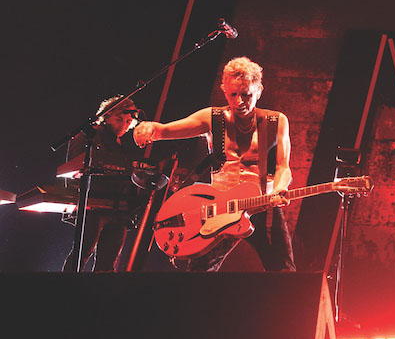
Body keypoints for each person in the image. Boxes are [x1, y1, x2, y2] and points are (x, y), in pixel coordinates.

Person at [134, 56, 295, 271]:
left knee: (283, 271)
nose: (239, 101)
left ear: (259, 91)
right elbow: (165, 130)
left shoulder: (275, 121)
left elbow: (284, 165)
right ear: (224, 89)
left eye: (246, 95)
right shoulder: (213, 118)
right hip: (220, 206)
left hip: (262, 203)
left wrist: (280, 189)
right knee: (200, 269)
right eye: (233, 94)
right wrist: (149, 128)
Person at [62, 96, 146, 271]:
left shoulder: (121, 145)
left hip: (118, 208)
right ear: (106, 116)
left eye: (128, 121)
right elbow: (74, 165)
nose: (124, 125)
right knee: (82, 254)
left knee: (107, 264)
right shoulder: (89, 135)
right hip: (93, 204)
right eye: (119, 119)